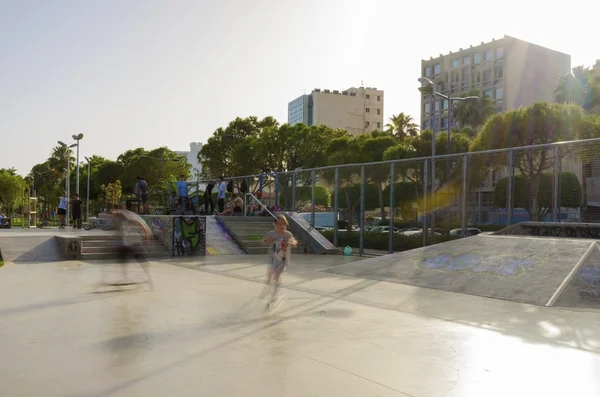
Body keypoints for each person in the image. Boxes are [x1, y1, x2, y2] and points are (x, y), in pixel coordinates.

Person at [112, 206, 154, 288]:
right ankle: (125, 278)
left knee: (142, 261)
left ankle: (149, 279)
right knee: (123, 260)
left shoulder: (129, 217)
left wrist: (147, 236)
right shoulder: (121, 220)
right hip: (127, 244)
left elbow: (142, 226)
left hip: (136, 243)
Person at [261, 214, 298, 310]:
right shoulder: (271, 234)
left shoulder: (287, 234)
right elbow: (263, 242)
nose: (281, 226)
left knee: (277, 276)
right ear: (275, 224)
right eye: (279, 224)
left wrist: (292, 242)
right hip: (272, 258)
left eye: (283, 224)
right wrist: (267, 240)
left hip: (283, 259)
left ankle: (273, 297)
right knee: (270, 275)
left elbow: (294, 241)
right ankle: (267, 287)